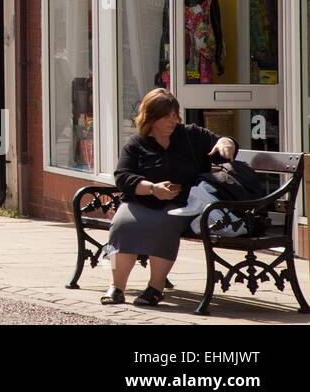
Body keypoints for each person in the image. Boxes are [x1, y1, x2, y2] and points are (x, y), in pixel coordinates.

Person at [100, 87, 236, 307]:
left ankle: (155, 288)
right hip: (142, 200)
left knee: (163, 224)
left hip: (183, 204)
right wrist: (152, 188)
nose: (172, 121)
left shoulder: (190, 135)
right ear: (150, 117)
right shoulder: (136, 143)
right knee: (121, 225)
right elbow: (122, 176)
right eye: (165, 116)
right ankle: (116, 287)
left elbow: (222, 142)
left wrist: (226, 142)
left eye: (174, 115)